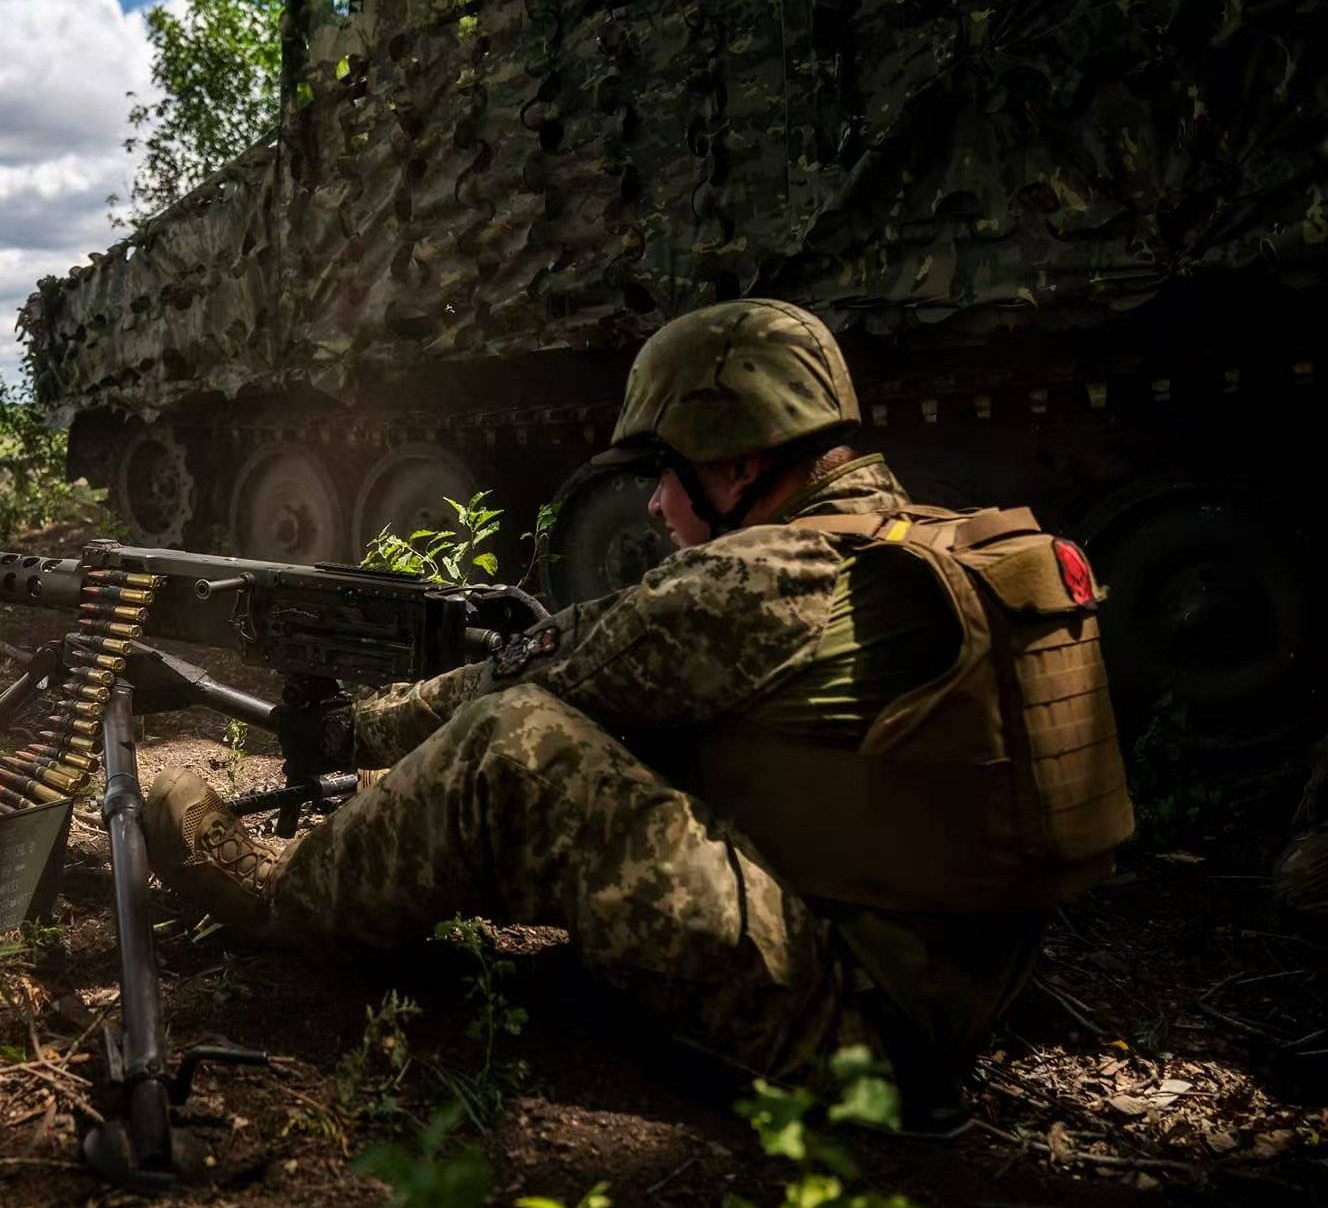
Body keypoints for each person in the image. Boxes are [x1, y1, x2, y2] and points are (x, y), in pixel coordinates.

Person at [141, 299, 1135, 1126]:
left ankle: (279, 899)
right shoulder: (932, 538)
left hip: (855, 1040)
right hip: (946, 993)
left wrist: (353, 731)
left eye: (666, 470)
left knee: (511, 746)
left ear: (738, 464)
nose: (656, 508)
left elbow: (530, 686)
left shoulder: (768, 574)